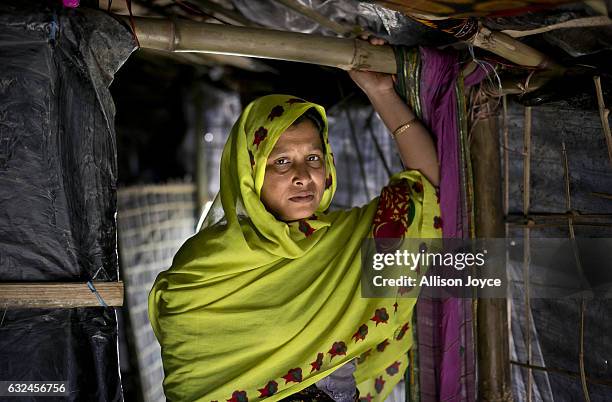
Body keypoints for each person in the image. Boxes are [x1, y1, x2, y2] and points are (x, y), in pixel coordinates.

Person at [148, 48, 442, 402]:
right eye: (282, 161)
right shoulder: (201, 270)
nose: (303, 177)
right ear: (249, 173)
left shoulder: (349, 242)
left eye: (313, 158)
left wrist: (380, 93)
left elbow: (426, 188)